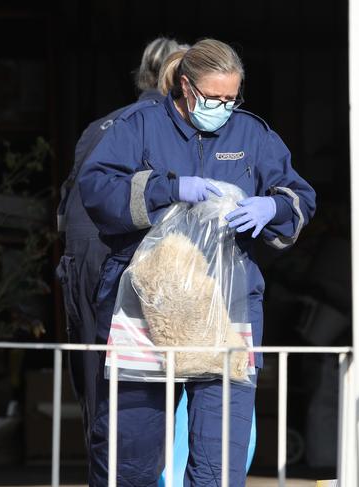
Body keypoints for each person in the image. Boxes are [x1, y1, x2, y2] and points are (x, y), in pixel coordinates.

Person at [79, 38, 316, 487]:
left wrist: (272, 208)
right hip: (145, 308)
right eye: (214, 98)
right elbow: (95, 190)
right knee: (130, 456)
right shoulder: (139, 126)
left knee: (218, 462)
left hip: (226, 308)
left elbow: (299, 197)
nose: (224, 107)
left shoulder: (252, 134)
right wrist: (165, 188)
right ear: (186, 88)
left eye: (232, 98)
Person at [55, 36, 186, 454]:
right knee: (139, 396)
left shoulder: (100, 126)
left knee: (96, 392)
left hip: (80, 262)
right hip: (126, 263)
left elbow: (64, 209)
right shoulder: (165, 126)